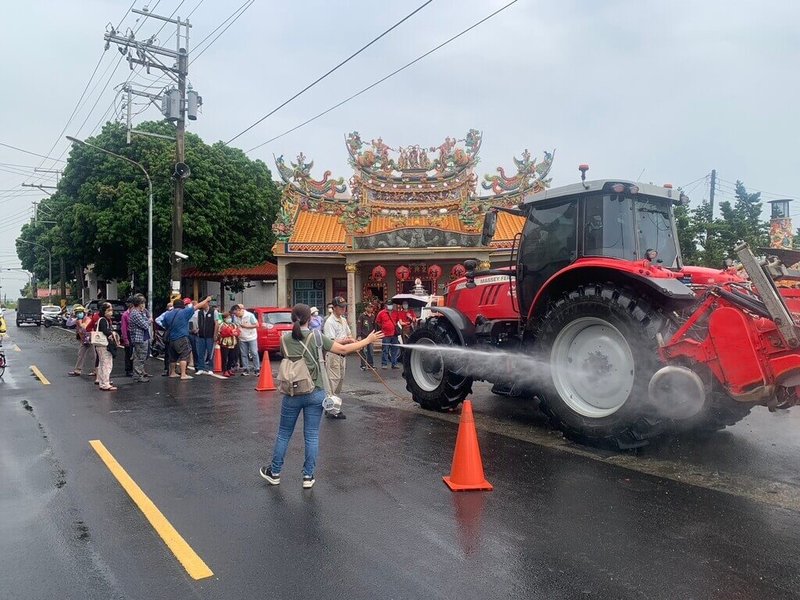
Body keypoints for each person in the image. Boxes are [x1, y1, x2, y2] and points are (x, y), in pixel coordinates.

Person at [259, 303, 384, 489]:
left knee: (284, 434)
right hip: (315, 392)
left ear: (293, 318)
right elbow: (340, 351)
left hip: (292, 392)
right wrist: (368, 340)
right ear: (310, 319)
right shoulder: (316, 336)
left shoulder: (284, 339)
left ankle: (275, 472)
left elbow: (300, 351)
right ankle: (308, 476)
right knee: (311, 435)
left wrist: (342, 342)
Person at [162, 295, 212, 380]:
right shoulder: (185, 312)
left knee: (172, 357)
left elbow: (164, 325)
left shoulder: (167, 314)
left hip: (171, 339)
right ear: (182, 306)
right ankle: (183, 374)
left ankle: (172, 372)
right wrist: (207, 299)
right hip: (182, 337)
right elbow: (198, 306)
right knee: (184, 354)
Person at [322, 296, 355, 420]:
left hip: (342, 355)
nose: (343, 309)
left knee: (340, 381)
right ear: (334, 308)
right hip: (333, 354)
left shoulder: (343, 320)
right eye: (341, 307)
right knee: (333, 382)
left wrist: (351, 340)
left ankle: (333, 407)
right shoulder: (330, 322)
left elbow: (348, 333)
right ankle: (331, 409)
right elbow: (330, 341)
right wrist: (347, 340)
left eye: (344, 306)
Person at [95, 302, 120, 391]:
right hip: (104, 345)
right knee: (107, 364)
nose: (111, 312)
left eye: (111, 310)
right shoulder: (103, 320)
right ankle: (105, 383)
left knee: (102, 363)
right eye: (108, 310)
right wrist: (112, 333)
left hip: (100, 345)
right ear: (104, 311)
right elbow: (105, 331)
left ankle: (103, 382)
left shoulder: (102, 320)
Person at [190, 300, 219, 374]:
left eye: (204, 303)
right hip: (201, 335)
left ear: (208, 303)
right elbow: (196, 322)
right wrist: (196, 329)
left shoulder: (213, 311)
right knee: (200, 352)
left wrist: (215, 334)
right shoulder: (199, 312)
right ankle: (201, 368)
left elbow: (216, 323)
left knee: (210, 352)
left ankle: (210, 368)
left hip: (210, 335)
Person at [127, 294, 151, 383]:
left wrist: (146, 316)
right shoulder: (135, 314)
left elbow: (147, 316)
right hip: (139, 338)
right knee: (140, 357)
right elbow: (145, 325)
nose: (144, 305)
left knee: (139, 357)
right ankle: (138, 375)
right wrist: (149, 321)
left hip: (142, 337)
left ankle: (138, 374)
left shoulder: (139, 312)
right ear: (140, 303)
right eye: (143, 303)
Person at [232, 304, 261, 376]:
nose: (235, 315)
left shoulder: (249, 315)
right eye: (234, 314)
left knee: (254, 353)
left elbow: (257, 325)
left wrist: (247, 326)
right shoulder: (236, 317)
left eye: (236, 313)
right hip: (242, 337)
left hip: (251, 337)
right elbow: (236, 326)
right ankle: (246, 369)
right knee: (244, 354)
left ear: (239, 310)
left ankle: (257, 369)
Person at [67, 305, 93, 376]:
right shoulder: (78, 319)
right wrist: (71, 317)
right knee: (80, 355)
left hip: (91, 340)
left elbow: (84, 326)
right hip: (83, 340)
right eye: (77, 313)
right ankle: (77, 370)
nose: (79, 314)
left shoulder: (87, 319)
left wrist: (79, 322)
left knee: (94, 356)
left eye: (80, 312)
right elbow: (68, 324)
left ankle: (96, 371)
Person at [375, 301, 401, 369]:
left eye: (391, 305)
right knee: (385, 350)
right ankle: (384, 364)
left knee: (394, 350)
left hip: (394, 334)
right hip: (386, 334)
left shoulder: (395, 313)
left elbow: (399, 321)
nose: (390, 306)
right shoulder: (381, 313)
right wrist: (383, 327)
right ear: (386, 305)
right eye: (389, 305)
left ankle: (394, 363)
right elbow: (378, 322)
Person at [218, 312, 240, 377]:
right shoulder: (222, 325)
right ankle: (224, 370)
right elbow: (224, 332)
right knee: (224, 358)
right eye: (228, 317)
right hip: (225, 344)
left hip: (233, 343)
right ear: (224, 318)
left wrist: (234, 332)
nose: (229, 319)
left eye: (230, 317)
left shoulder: (233, 325)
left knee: (232, 357)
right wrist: (232, 332)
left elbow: (238, 331)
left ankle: (229, 369)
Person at [357, 302, 376, 371]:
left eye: (371, 307)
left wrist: (375, 335)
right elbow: (359, 326)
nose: (371, 308)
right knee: (363, 351)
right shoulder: (362, 316)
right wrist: (359, 336)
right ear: (366, 308)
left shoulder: (373, 316)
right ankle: (363, 365)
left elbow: (375, 327)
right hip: (363, 336)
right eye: (369, 307)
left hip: (370, 336)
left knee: (370, 351)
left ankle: (370, 364)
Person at [120, 297, 134, 377]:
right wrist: (125, 339)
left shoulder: (137, 313)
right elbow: (124, 328)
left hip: (134, 334)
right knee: (128, 353)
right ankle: (128, 370)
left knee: (135, 353)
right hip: (128, 334)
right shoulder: (125, 315)